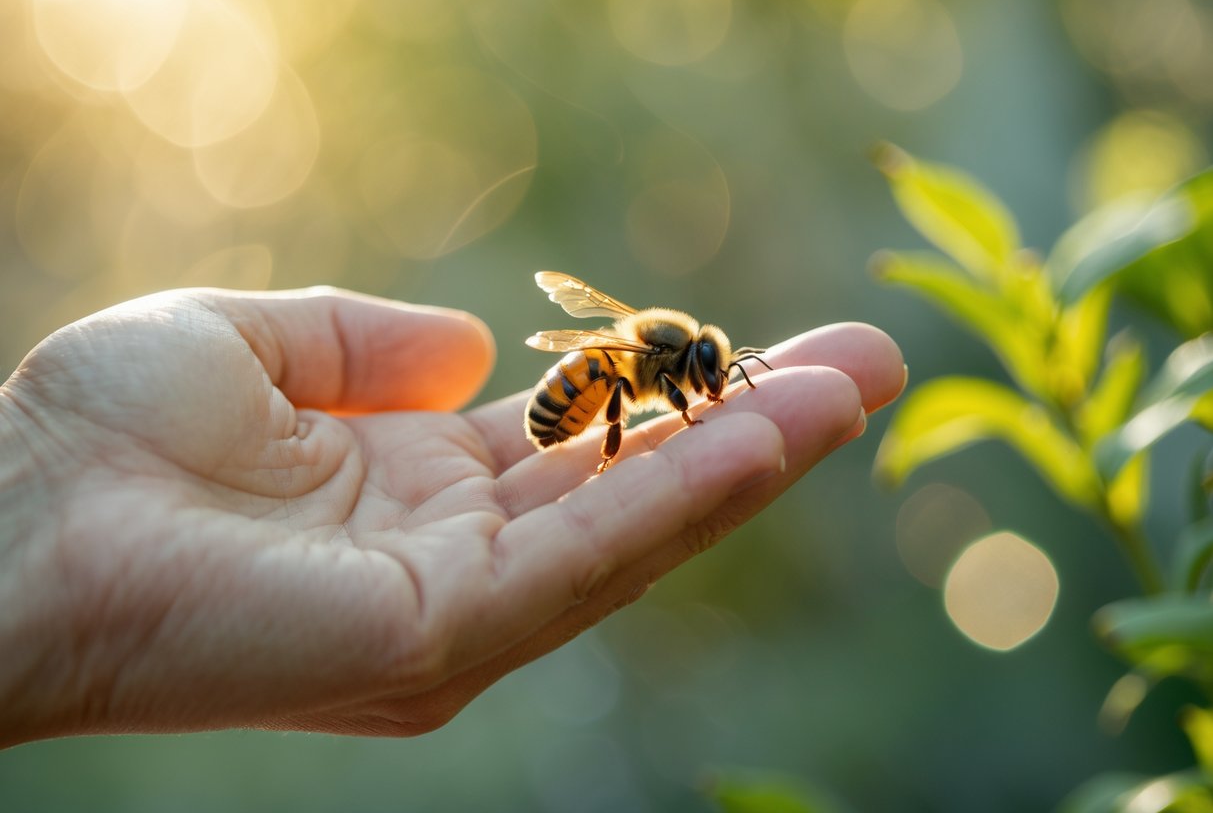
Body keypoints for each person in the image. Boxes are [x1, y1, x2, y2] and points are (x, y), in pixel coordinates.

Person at [0, 286, 905, 748]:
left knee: (621, 399)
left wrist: (43, 481)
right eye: (705, 375)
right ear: (683, 363)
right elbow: (603, 366)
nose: (706, 383)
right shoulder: (652, 358)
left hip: (578, 401)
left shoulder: (672, 355)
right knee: (598, 390)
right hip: (578, 399)